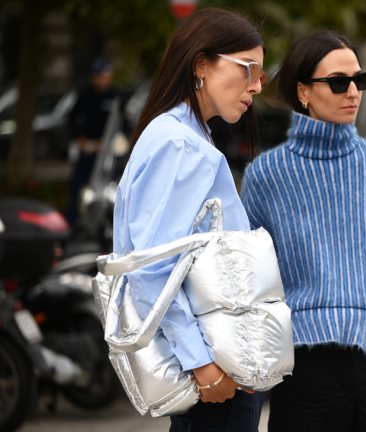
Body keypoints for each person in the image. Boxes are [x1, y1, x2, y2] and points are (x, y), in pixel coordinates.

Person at [240, 31, 366, 432]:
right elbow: (252, 286)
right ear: (303, 91)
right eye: (338, 82)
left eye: (360, 80)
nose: (352, 92)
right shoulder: (266, 176)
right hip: (304, 368)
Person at [111, 8, 267, 432]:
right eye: (249, 68)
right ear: (201, 65)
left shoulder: (180, 134)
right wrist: (203, 367)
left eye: (261, 74)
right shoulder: (181, 144)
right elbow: (151, 267)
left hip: (218, 361)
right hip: (213, 367)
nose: (256, 85)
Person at [66, 57, 117, 224]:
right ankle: (75, 222)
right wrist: (79, 138)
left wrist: (112, 143)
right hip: (87, 149)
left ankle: (104, 221)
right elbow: (71, 118)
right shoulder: (85, 94)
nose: (101, 79)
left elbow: (122, 125)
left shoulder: (114, 97)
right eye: (98, 76)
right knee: (79, 187)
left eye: (104, 75)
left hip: (106, 152)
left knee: (107, 187)